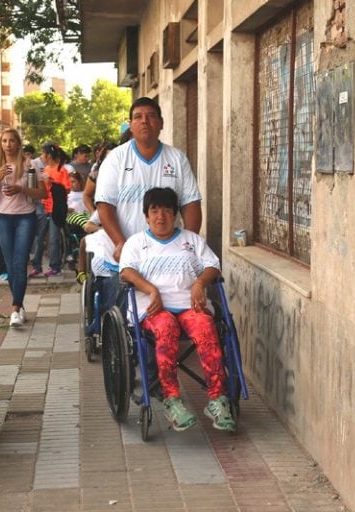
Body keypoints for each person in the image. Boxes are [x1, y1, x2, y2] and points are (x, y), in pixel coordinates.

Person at [119, 187, 235, 433]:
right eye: (154, 210)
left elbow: (213, 265)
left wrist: (201, 283)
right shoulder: (137, 243)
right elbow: (126, 271)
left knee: (206, 327)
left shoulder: (191, 241)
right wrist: (151, 290)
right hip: (153, 309)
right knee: (167, 327)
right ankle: (172, 399)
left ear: (175, 215)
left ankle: (217, 399)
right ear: (146, 216)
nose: (161, 216)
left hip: (189, 305)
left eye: (167, 210)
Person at [95, 96, 202, 264]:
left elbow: (191, 205)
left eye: (151, 116)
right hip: (126, 257)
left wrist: (188, 246)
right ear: (130, 125)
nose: (144, 121)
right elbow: (104, 206)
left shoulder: (177, 159)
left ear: (161, 123)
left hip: (168, 255)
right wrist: (121, 243)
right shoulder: (116, 158)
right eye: (138, 117)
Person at [0, 128, 47, 327]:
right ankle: (19, 305)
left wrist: (21, 188)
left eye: (11, 140)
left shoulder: (30, 164)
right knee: (9, 264)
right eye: (4, 141)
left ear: (18, 143)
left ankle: (15, 308)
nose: (7, 144)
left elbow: (43, 193)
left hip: (25, 217)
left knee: (20, 261)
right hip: (3, 218)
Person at [29, 142, 71, 278]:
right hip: (43, 206)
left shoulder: (61, 170)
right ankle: (37, 266)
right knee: (39, 237)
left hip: (56, 208)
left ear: (48, 155)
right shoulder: (45, 170)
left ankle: (55, 266)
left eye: (43, 153)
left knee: (53, 238)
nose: (42, 156)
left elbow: (67, 188)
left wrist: (52, 182)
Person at [82, 141, 116, 214]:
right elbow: (86, 195)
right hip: (102, 215)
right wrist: (93, 213)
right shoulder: (95, 175)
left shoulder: (128, 173)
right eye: (108, 158)